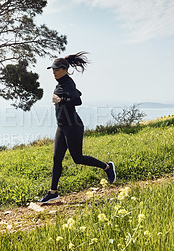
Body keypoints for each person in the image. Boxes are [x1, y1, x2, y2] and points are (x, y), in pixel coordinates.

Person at [38, 52, 116, 204]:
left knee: (78, 158)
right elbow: (75, 93)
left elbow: (77, 100)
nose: (54, 72)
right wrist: (62, 98)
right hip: (62, 126)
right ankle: (53, 192)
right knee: (56, 159)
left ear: (65, 70)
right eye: (52, 70)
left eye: (57, 69)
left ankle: (107, 167)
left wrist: (60, 99)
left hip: (73, 127)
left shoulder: (67, 82)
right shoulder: (61, 82)